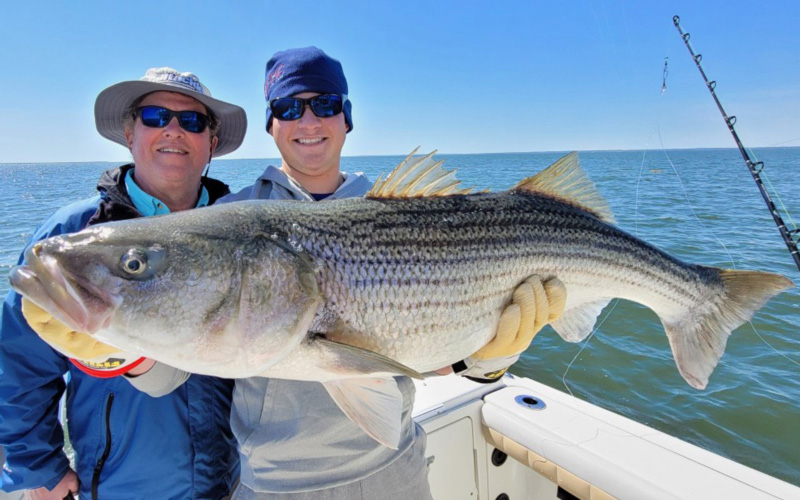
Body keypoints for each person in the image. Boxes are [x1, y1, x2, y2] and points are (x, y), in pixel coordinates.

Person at [222, 46, 567, 499]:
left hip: (396, 469)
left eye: (325, 104)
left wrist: (491, 357)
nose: (308, 121)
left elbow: (439, 357)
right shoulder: (230, 219)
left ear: (346, 118)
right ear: (271, 124)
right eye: (289, 108)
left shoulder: (405, 211)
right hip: (275, 484)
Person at [0, 67, 247, 499]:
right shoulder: (72, 236)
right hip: (119, 485)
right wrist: (38, 466)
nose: (173, 130)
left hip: (231, 480)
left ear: (211, 143)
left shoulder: (245, 230)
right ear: (130, 134)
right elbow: (20, 363)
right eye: (155, 116)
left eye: (192, 121)